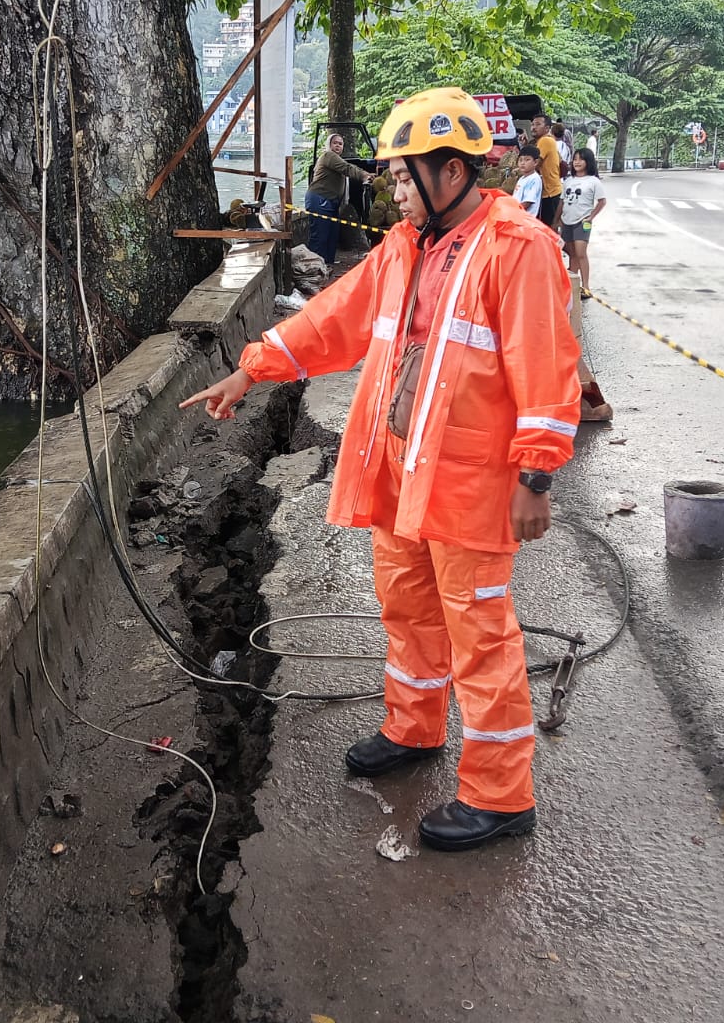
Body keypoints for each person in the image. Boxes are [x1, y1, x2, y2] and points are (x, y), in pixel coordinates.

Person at [180, 87, 581, 851]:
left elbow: (547, 366)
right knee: (407, 607)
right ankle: (414, 727)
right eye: (393, 177)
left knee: (481, 635)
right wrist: (252, 369)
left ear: (454, 172)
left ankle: (501, 795)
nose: (394, 190)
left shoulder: (517, 246)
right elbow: (334, 320)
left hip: (471, 479)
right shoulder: (407, 245)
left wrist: (536, 476)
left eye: (404, 175)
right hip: (402, 466)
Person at [305, 132, 374, 265]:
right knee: (320, 236)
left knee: (332, 236)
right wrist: (364, 175)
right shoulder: (328, 156)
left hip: (331, 202)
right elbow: (347, 168)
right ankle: (314, 269)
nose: (337, 146)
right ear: (329, 145)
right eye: (335, 143)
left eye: (340, 144)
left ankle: (327, 265)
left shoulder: (336, 159)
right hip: (320, 200)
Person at [560, 148, 605, 294]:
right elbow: (562, 201)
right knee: (572, 254)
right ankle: (573, 286)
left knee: (581, 253)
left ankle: (586, 286)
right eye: (575, 159)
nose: (577, 162)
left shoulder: (593, 182)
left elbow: (602, 201)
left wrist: (591, 217)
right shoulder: (568, 181)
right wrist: (557, 220)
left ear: (588, 162)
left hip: (582, 221)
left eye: (581, 159)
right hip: (567, 220)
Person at [529, 113, 563, 233]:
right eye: (532, 124)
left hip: (549, 193)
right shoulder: (548, 141)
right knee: (551, 229)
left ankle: (557, 251)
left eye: (538, 124)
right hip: (554, 190)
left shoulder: (545, 141)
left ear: (547, 128)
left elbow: (534, 164)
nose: (533, 127)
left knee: (548, 230)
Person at [512, 144, 543, 215]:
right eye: (520, 160)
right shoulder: (522, 178)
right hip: (517, 216)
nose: (523, 163)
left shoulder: (534, 179)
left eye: (527, 160)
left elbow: (528, 202)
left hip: (525, 219)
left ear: (535, 162)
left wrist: (514, 211)